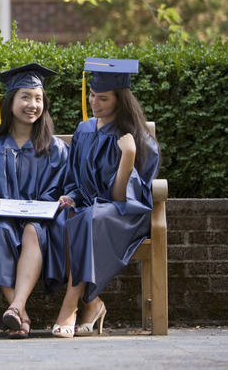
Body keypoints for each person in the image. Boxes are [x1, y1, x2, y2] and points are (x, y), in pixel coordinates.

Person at [51, 57, 160, 338]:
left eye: (103, 98)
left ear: (120, 100)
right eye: (92, 95)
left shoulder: (139, 139)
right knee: (61, 218)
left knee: (88, 219)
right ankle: (94, 303)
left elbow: (121, 197)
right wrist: (71, 196)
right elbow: (74, 178)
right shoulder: (84, 130)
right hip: (91, 209)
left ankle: (69, 306)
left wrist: (129, 155)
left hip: (124, 215)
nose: (94, 103)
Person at [0, 63, 69, 339]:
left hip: (42, 222)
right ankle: (22, 314)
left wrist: (51, 204)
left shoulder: (55, 148)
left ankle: (16, 308)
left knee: (32, 229)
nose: (32, 104)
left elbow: (63, 187)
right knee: (0, 231)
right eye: (25, 97)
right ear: (9, 102)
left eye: (38, 98)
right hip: (4, 217)